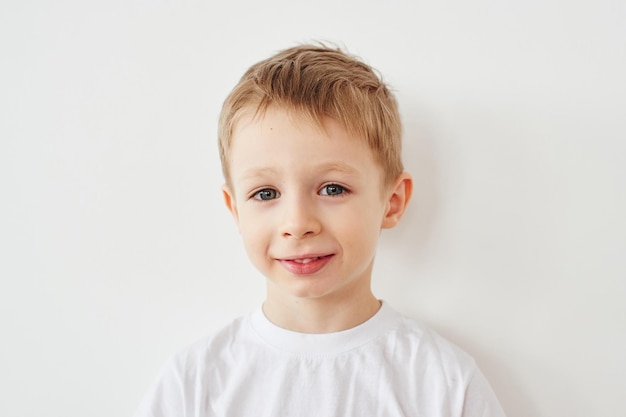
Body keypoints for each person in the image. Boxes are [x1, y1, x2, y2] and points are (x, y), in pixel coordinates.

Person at [134, 44, 506, 417]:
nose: (297, 224)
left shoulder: (443, 383)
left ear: (391, 201)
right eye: (266, 193)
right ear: (235, 210)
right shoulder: (195, 383)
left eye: (332, 189)